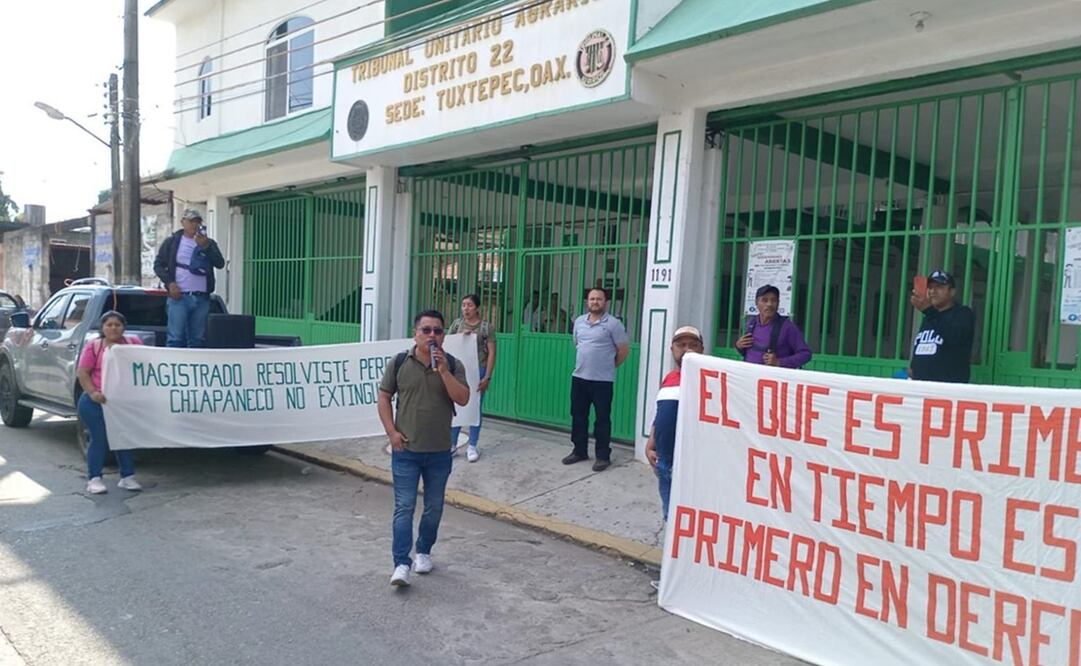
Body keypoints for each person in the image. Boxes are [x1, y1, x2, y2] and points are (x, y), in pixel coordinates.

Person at [378, 310, 469, 588]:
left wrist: (443, 371)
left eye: (437, 331)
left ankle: (424, 551)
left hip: (439, 452)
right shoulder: (399, 363)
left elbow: (463, 398)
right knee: (404, 507)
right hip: (406, 451)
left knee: (434, 508)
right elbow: (384, 397)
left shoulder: (453, 364)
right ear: (415, 333)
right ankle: (401, 564)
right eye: (426, 330)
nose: (432, 336)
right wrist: (392, 433)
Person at [76, 311, 143, 494]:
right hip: (96, 402)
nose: (113, 328)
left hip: (123, 404)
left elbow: (144, 365)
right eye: (109, 325)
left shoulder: (134, 344)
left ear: (124, 327)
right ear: (103, 327)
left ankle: (127, 476)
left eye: (117, 325)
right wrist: (93, 393)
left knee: (124, 437)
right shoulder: (94, 346)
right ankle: (94, 478)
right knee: (100, 438)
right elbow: (83, 373)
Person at [563, 288, 630, 472]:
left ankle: (602, 456)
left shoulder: (613, 324)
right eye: (592, 299)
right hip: (579, 378)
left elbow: (623, 350)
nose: (595, 302)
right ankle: (579, 451)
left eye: (599, 299)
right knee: (578, 416)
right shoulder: (579, 322)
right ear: (587, 302)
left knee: (602, 418)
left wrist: (608, 366)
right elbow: (577, 344)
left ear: (605, 302)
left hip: (602, 381)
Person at [645, 326, 704, 521]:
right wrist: (650, 444)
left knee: (690, 519)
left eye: (693, 345)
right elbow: (660, 415)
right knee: (670, 516)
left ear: (702, 350)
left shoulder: (708, 380)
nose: (687, 349)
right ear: (672, 349)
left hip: (691, 464)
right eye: (681, 345)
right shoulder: (669, 378)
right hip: (665, 461)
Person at [153, 208, 225, 348]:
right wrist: (170, 283)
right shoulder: (172, 242)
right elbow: (158, 265)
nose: (194, 225)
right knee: (176, 337)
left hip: (202, 297)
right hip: (180, 296)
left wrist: (206, 247)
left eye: (197, 222)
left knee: (197, 339)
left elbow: (220, 263)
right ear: (183, 222)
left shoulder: (208, 243)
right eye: (191, 221)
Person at [449, 294, 496, 463]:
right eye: (463, 305)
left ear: (477, 308)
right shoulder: (457, 325)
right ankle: (452, 445)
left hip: (478, 371)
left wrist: (487, 377)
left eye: (469, 305)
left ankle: (472, 445)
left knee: (475, 408)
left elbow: (492, 353)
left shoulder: (485, 328)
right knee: (457, 407)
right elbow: (447, 343)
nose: (466, 309)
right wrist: (461, 336)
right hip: (459, 371)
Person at [908, 270, 976, 383]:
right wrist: (913, 367)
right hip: (921, 386)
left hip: (947, 388)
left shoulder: (962, 314)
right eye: (930, 287)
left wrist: (929, 310)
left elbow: (954, 337)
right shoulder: (929, 317)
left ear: (952, 292)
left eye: (939, 287)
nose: (933, 291)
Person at [735, 284, 812, 368]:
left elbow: (806, 354)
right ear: (757, 303)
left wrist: (779, 362)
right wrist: (739, 346)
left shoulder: (787, 327)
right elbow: (750, 352)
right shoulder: (750, 324)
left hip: (773, 375)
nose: (769, 304)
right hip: (749, 373)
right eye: (764, 300)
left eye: (774, 300)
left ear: (778, 303)